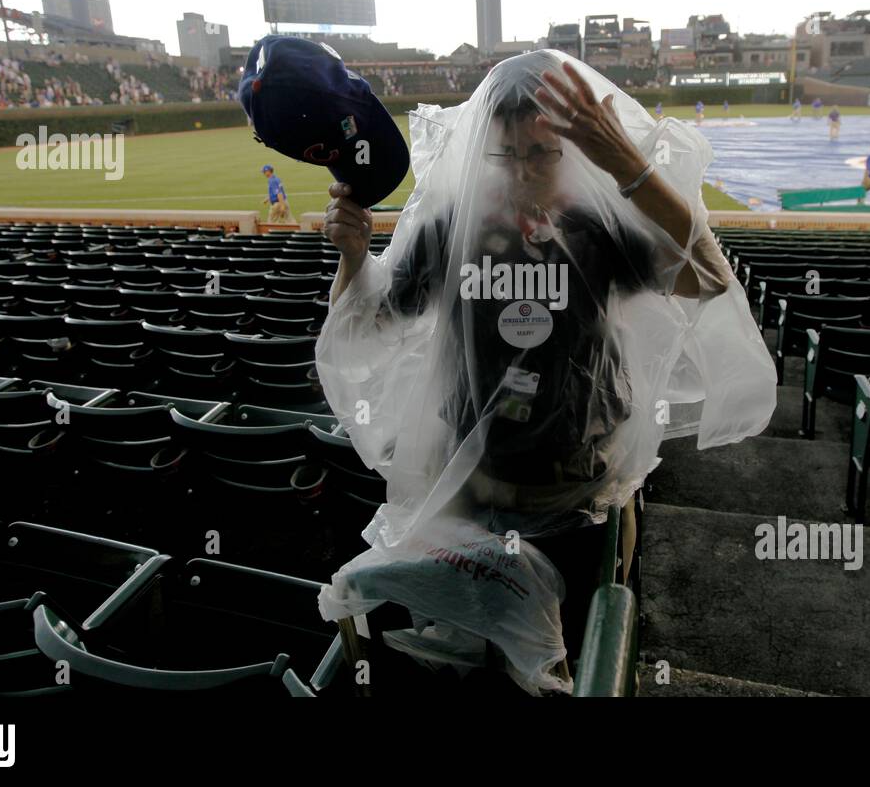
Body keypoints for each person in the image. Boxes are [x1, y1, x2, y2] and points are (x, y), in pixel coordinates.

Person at [317, 51, 775, 691]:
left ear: (574, 154)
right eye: (504, 157)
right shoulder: (450, 231)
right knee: (493, 665)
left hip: (580, 494)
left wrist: (628, 163)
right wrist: (352, 258)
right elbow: (362, 334)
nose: (521, 173)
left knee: (582, 655)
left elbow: (706, 278)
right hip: (476, 491)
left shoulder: (596, 228)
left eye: (542, 155)